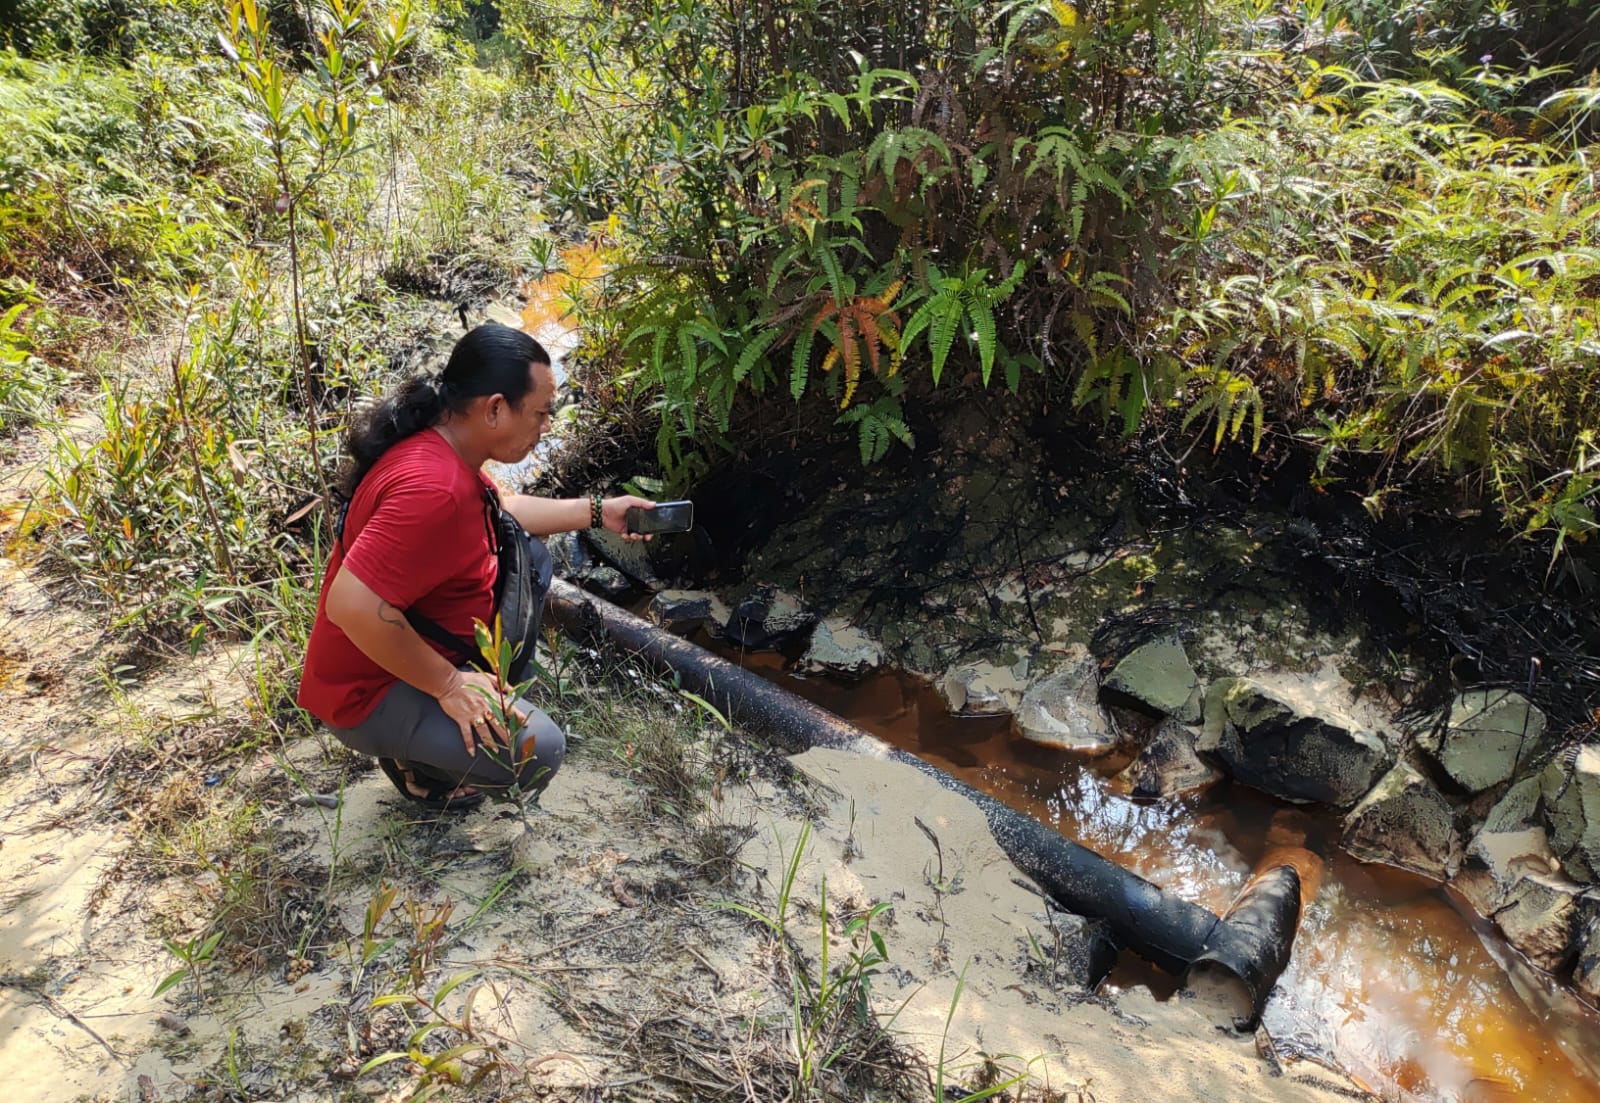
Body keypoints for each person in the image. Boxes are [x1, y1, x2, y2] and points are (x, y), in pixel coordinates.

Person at [297, 323, 654, 809]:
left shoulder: (446, 443)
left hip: (410, 647)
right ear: (495, 409)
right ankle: (424, 770)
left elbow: (500, 509)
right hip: (368, 689)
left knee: (527, 555)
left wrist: (598, 511)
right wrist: (448, 685)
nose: (546, 427)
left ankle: (434, 730)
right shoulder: (433, 490)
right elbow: (351, 605)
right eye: (541, 413)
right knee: (535, 751)